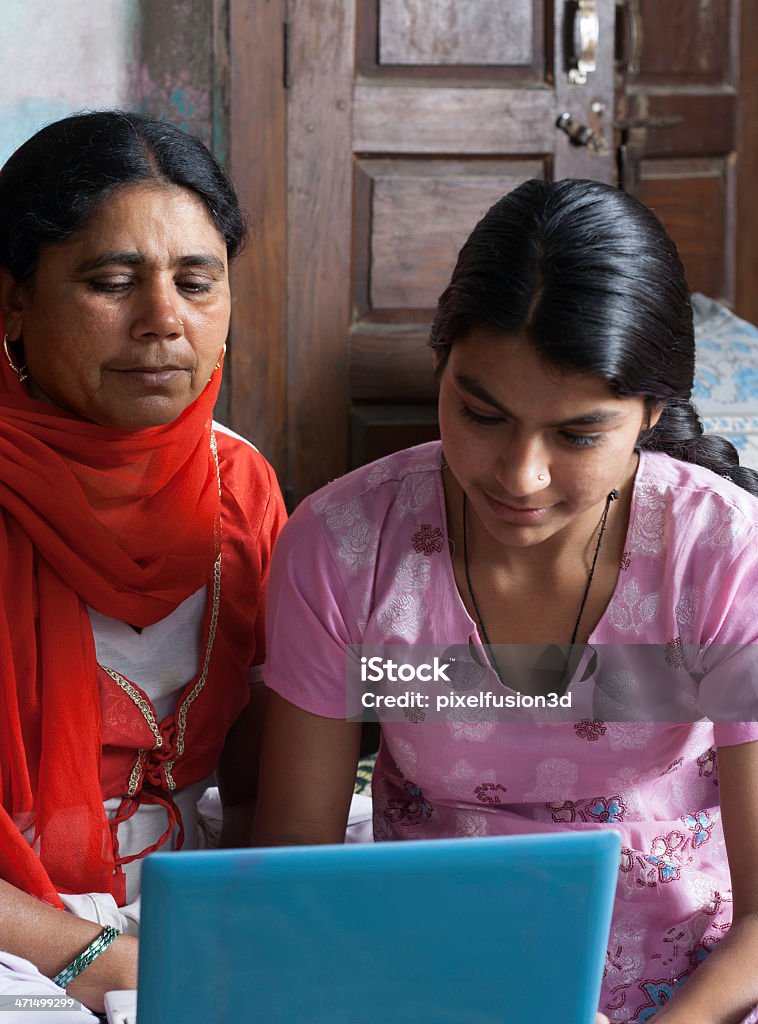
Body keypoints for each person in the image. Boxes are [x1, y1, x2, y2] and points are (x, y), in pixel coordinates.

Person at [255, 179, 758, 1024]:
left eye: (578, 435)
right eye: (481, 414)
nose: (520, 476)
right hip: (426, 984)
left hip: (690, 996)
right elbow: (297, 877)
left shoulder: (722, 554)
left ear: (652, 411)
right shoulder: (345, 544)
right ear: (441, 367)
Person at [0, 111, 286, 1017]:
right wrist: (104, 959)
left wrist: (246, 928)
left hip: (191, 897)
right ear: (11, 300)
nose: (164, 321)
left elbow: (259, 780)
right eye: (112, 281)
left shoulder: (239, 486)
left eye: (197, 282)